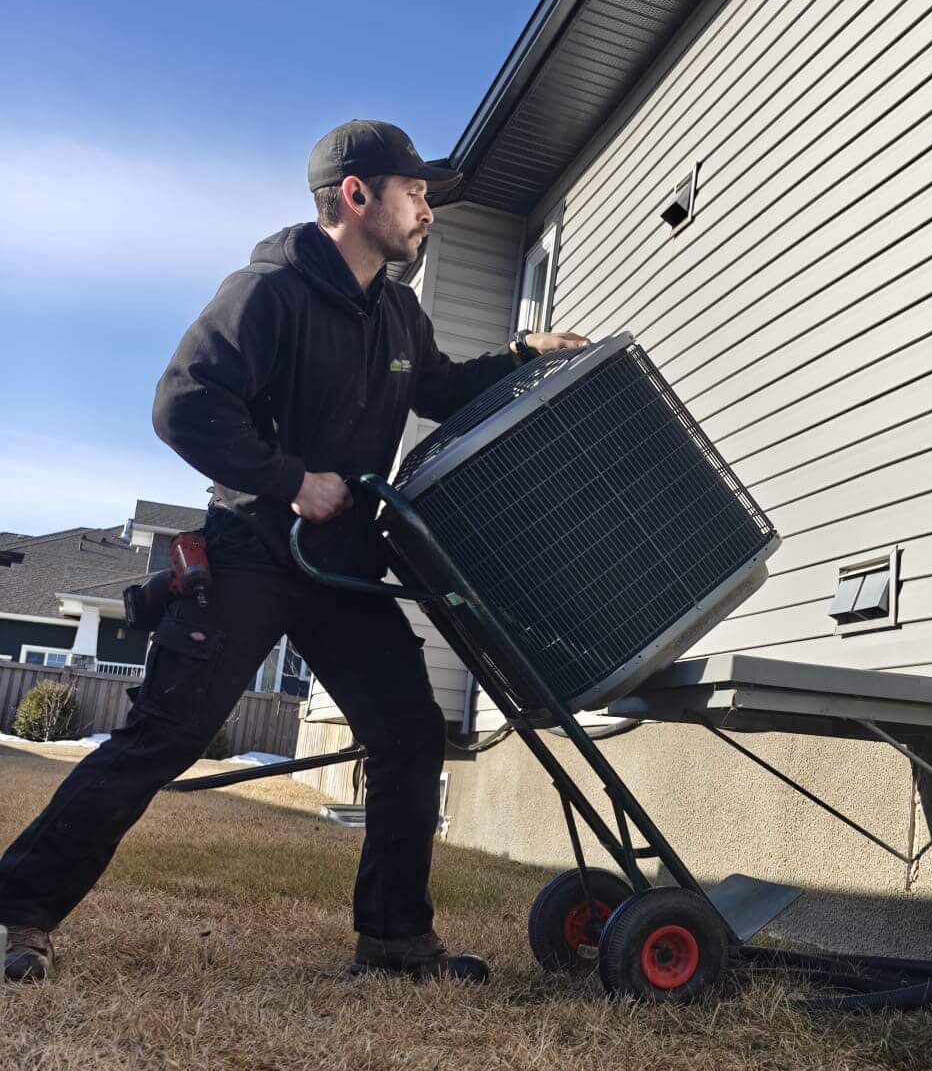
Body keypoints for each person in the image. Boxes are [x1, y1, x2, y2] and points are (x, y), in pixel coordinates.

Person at [1, 120, 586, 987]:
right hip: (252, 552)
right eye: (415, 190)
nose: (427, 208)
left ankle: (392, 942)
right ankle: (20, 910)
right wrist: (289, 479)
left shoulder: (395, 310)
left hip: (343, 567)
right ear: (357, 195)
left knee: (405, 732)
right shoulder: (266, 292)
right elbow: (184, 403)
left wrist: (517, 358)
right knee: (164, 735)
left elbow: (438, 388)